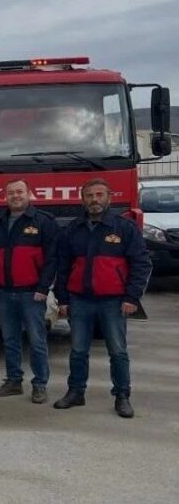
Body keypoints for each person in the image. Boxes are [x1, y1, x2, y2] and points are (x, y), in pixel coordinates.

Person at [53, 178, 152, 418]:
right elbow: (62, 267)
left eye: (99, 195)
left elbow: (141, 264)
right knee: (78, 350)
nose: (94, 200)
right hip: (80, 300)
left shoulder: (125, 228)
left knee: (117, 351)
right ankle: (76, 392)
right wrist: (63, 299)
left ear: (109, 198)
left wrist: (132, 297)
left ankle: (122, 396)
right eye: (89, 196)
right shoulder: (73, 229)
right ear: (82, 200)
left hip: (114, 302)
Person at [0, 179, 58, 403]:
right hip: (4, 293)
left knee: (37, 341)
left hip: (32, 293)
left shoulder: (43, 221)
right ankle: (13, 381)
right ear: (5, 196)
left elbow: (52, 258)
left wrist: (44, 287)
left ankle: (40, 384)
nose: (15, 196)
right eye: (11, 193)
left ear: (29, 194)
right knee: (10, 340)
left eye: (19, 192)